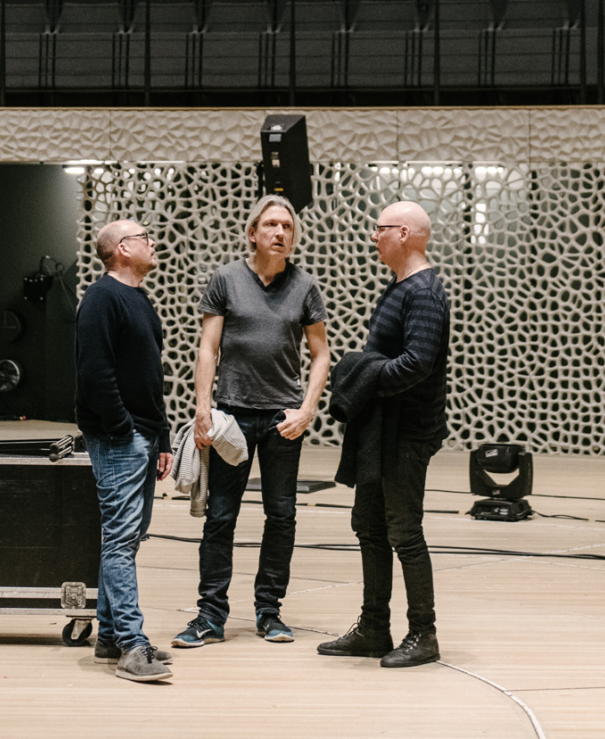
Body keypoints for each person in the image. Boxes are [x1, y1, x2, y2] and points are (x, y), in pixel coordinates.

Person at [172, 195, 330, 650]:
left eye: (288, 227)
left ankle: (269, 611)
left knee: (281, 516)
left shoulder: (305, 286)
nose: (281, 233)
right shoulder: (225, 279)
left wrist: (307, 409)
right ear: (253, 233)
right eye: (272, 225)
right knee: (221, 516)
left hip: (283, 417)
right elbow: (208, 347)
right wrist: (203, 407)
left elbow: (321, 355)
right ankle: (210, 616)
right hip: (231, 416)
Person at [319, 200, 450, 668]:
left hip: (406, 434)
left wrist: (365, 374)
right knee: (369, 529)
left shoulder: (424, 293)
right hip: (382, 431)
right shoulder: (397, 287)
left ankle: (423, 633)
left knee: (404, 532)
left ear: (408, 234)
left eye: (381, 229)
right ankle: (375, 627)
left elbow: (418, 363)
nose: (374, 237)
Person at [73, 218, 175, 683]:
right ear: (120, 249)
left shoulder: (138, 298)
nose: (153, 243)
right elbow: (95, 373)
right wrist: (123, 431)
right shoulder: (101, 298)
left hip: (142, 436)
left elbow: (148, 375)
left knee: (127, 539)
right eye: (144, 237)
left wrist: (162, 436)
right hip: (121, 438)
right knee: (120, 539)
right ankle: (132, 647)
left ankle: (111, 635)